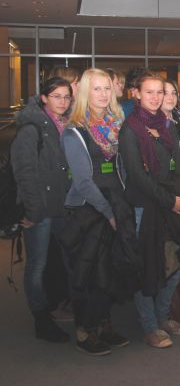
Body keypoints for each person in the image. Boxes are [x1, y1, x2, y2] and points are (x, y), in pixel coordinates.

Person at [62, 68, 134, 355]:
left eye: (107, 88)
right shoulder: (74, 131)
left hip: (117, 204)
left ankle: (103, 324)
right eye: (96, 89)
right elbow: (82, 182)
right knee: (88, 272)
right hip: (89, 210)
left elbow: (124, 168)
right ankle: (84, 331)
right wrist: (109, 212)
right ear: (84, 93)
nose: (103, 94)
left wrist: (122, 206)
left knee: (111, 272)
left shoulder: (117, 124)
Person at [119, 72, 180, 348]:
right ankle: (149, 326)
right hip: (145, 206)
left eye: (159, 92)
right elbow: (138, 176)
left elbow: (178, 164)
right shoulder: (130, 129)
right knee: (148, 267)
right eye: (149, 92)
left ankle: (163, 317)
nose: (155, 97)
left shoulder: (166, 124)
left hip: (172, 202)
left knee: (174, 262)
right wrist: (170, 200)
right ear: (136, 93)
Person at [10, 77, 73, 343]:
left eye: (66, 97)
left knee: (63, 258)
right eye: (56, 96)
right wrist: (34, 211)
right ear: (44, 98)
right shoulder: (31, 128)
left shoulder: (66, 124)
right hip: (41, 209)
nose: (62, 101)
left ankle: (59, 303)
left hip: (63, 206)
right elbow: (24, 172)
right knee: (37, 264)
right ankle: (41, 318)